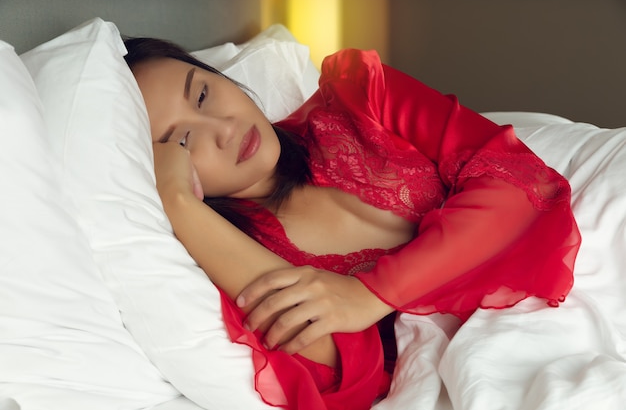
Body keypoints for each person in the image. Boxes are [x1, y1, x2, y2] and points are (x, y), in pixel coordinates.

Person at [123, 37, 581, 410]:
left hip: (566, 307)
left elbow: (519, 184)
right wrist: (179, 203)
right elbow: (345, 370)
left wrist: (370, 293)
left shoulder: (360, 94)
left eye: (202, 93)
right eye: (183, 141)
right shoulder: (230, 249)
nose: (222, 129)